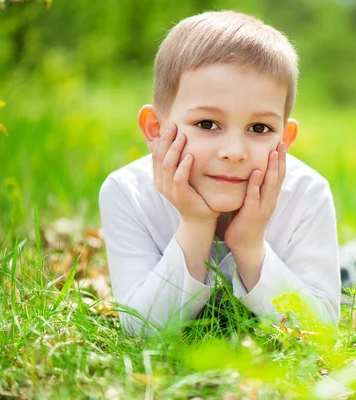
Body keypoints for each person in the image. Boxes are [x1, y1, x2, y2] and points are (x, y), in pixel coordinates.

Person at [98, 10, 340, 336]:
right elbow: (140, 329)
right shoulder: (128, 193)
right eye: (207, 124)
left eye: (259, 127)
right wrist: (196, 224)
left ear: (284, 139)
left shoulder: (307, 194)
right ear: (155, 130)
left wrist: (251, 246)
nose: (234, 151)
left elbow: (321, 332)